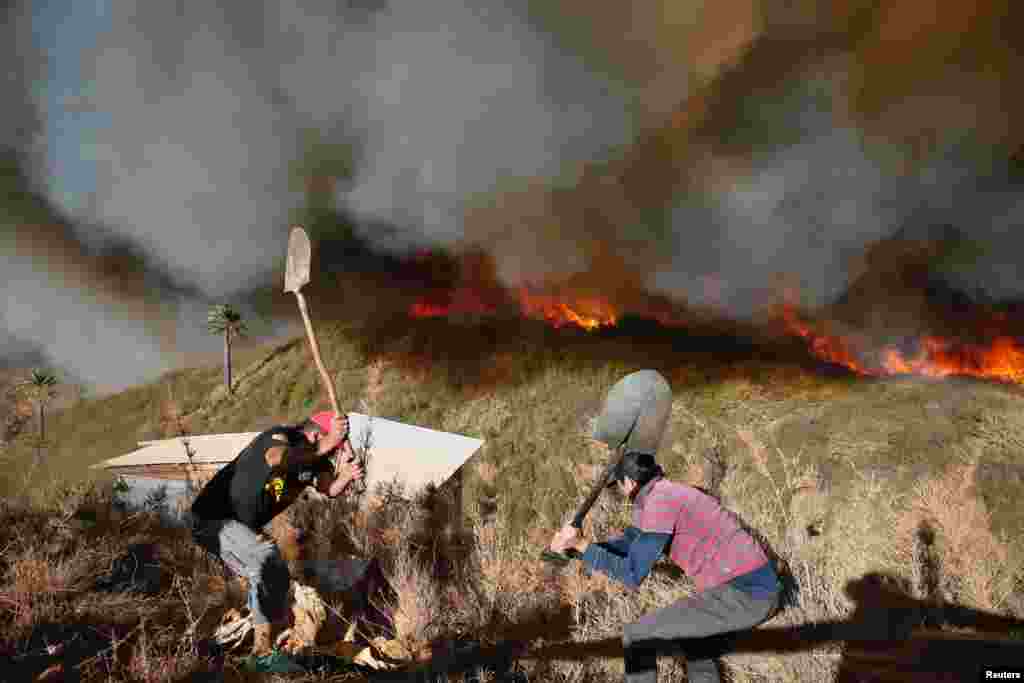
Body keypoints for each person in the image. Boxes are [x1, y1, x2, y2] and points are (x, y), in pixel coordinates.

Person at [548, 370, 780, 683]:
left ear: (630, 482)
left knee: (637, 636)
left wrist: (581, 546)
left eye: (618, 486)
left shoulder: (660, 502)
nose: (619, 492)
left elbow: (632, 573)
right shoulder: (661, 495)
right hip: (747, 589)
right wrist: (576, 548)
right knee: (696, 642)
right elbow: (628, 545)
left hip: (747, 593)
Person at [189, 411, 363, 657]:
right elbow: (277, 458)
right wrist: (328, 444)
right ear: (314, 435)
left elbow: (329, 489)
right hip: (213, 518)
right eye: (333, 447)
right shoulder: (281, 437)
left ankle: (227, 642)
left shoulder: (317, 459)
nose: (335, 453)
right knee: (265, 557)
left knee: (277, 577)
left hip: (241, 527)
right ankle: (262, 652)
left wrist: (345, 476)